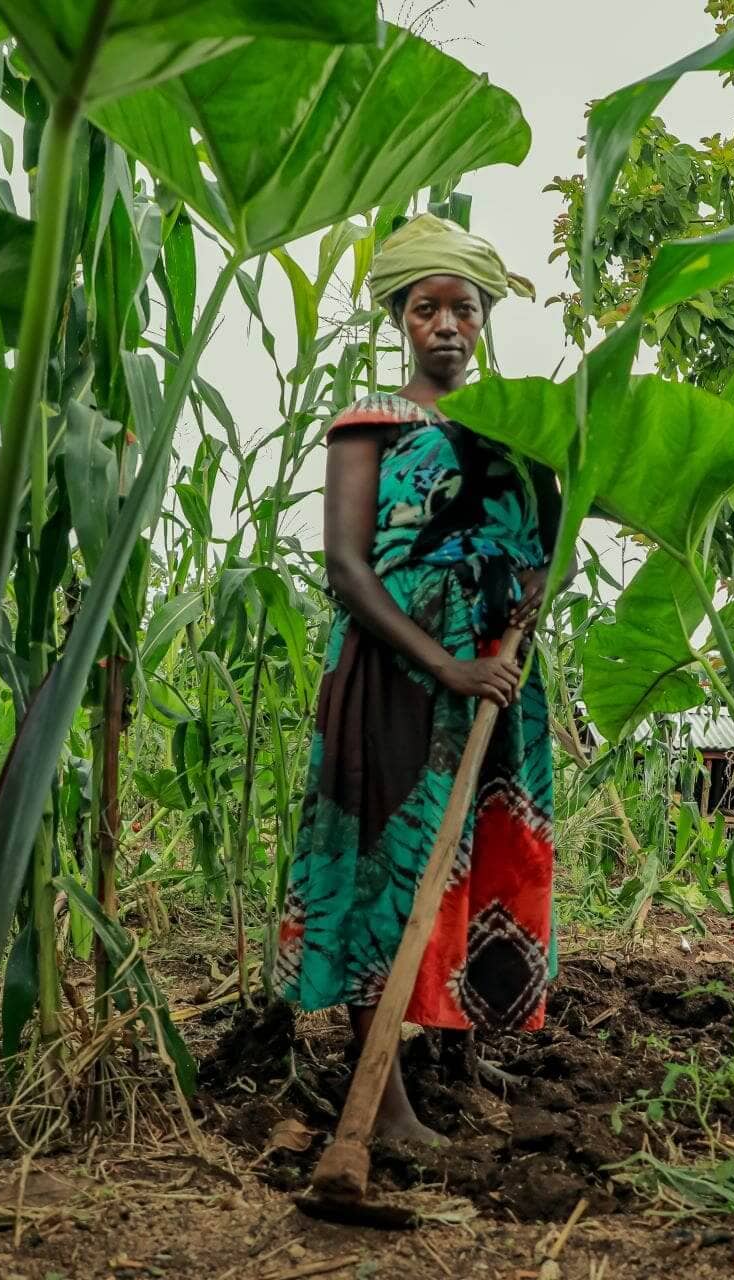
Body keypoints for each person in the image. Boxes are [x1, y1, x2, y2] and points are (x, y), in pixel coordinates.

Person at [276, 214, 563, 1145]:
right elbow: (349, 569)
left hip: (496, 681)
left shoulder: (527, 436)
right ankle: (384, 1110)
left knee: (472, 868)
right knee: (384, 873)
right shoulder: (371, 426)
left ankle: (451, 1055)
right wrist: (446, 664)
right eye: (427, 308)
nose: (446, 324)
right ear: (400, 319)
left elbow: (542, 551)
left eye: (464, 310)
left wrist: (523, 602)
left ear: (483, 323)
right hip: (400, 670)